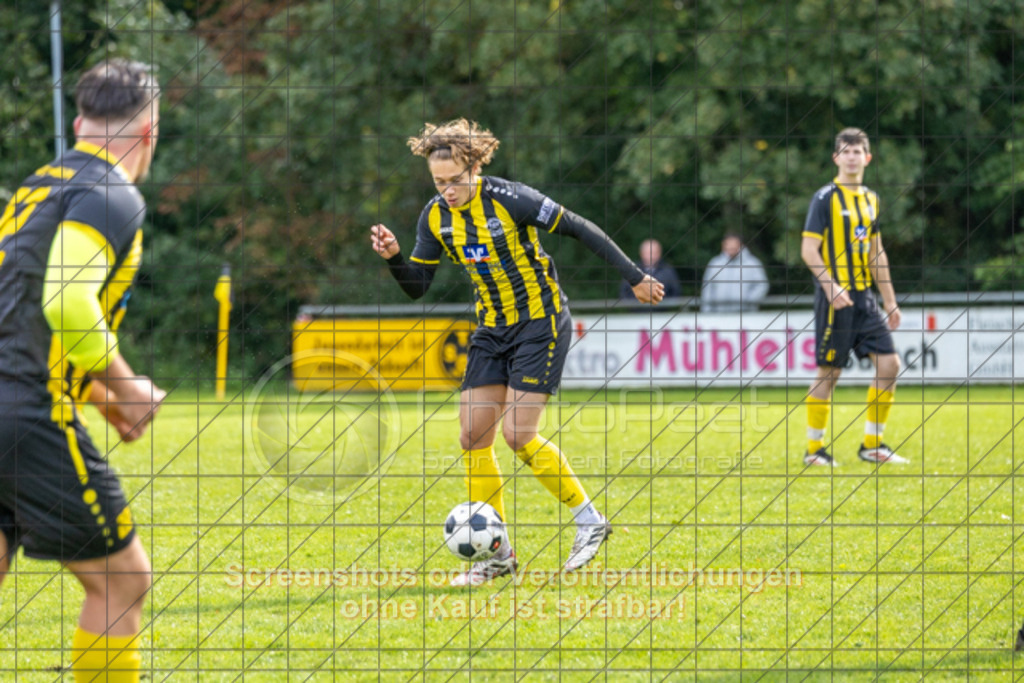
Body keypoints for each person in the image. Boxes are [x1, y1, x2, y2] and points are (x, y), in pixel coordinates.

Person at [370, 119, 664, 586]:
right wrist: (394, 259)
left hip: (540, 323)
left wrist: (635, 277)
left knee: (518, 435)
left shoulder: (511, 199)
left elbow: (581, 228)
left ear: (475, 166)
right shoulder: (435, 216)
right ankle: (499, 555)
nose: (447, 190)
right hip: (490, 328)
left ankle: (590, 521)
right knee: (472, 437)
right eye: (438, 182)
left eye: (455, 180)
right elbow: (417, 287)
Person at [0, 59, 166, 681]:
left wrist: (102, 398)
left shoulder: (37, 187)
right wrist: (128, 387)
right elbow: (65, 303)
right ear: (148, 132)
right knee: (124, 582)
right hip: (27, 416)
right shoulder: (109, 194)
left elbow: (18, 324)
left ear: (77, 123)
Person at [800, 127, 906, 467]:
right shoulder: (825, 198)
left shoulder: (871, 200)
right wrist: (831, 286)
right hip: (836, 298)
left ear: (867, 158)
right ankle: (814, 450)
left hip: (864, 298)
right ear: (836, 158)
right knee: (829, 372)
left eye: (857, 151)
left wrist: (889, 300)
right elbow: (808, 250)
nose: (851, 157)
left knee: (890, 364)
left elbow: (877, 254)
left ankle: (872, 445)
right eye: (845, 151)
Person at [700, 232, 770, 312]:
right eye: (728, 244)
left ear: (740, 245)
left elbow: (762, 285)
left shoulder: (753, 263)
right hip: (718, 316)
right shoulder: (715, 263)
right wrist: (706, 312)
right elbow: (707, 289)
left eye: (733, 244)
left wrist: (749, 302)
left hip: (746, 316)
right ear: (723, 245)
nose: (731, 247)